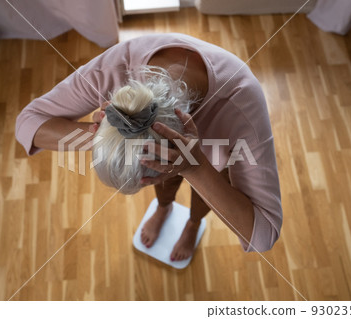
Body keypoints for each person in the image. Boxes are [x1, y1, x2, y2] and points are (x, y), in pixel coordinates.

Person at [15, 33, 283, 262]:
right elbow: (27, 124)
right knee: (160, 175)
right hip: (175, 153)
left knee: (209, 187)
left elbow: (263, 234)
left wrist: (197, 167)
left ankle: (193, 223)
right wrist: (105, 135)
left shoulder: (242, 103)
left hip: (218, 157)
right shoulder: (112, 71)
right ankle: (164, 207)